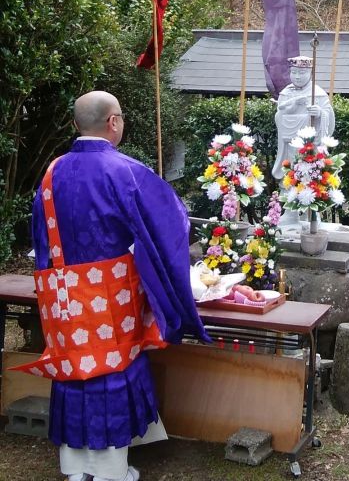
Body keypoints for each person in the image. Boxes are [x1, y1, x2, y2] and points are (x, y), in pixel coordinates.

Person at [18, 91, 210, 481]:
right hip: (111, 295)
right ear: (114, 123)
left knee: (74, 369)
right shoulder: (124, 171)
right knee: (110, 371)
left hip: (64, 296)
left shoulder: (52, 173)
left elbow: (40, 237)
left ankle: (74, 468)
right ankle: (110, 470)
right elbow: (168, 224)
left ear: (76, 125)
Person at [272, 55, 335, 179]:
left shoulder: (318, 94)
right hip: (290, 142)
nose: (297, 76)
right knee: (290, 172)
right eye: (294, 72)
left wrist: (320, 113)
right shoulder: (285, 93)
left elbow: (329, 115)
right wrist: (293, 106)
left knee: (310, 173)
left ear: (310, 73)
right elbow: (279, 115)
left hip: (312, 144)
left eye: (302, 73)